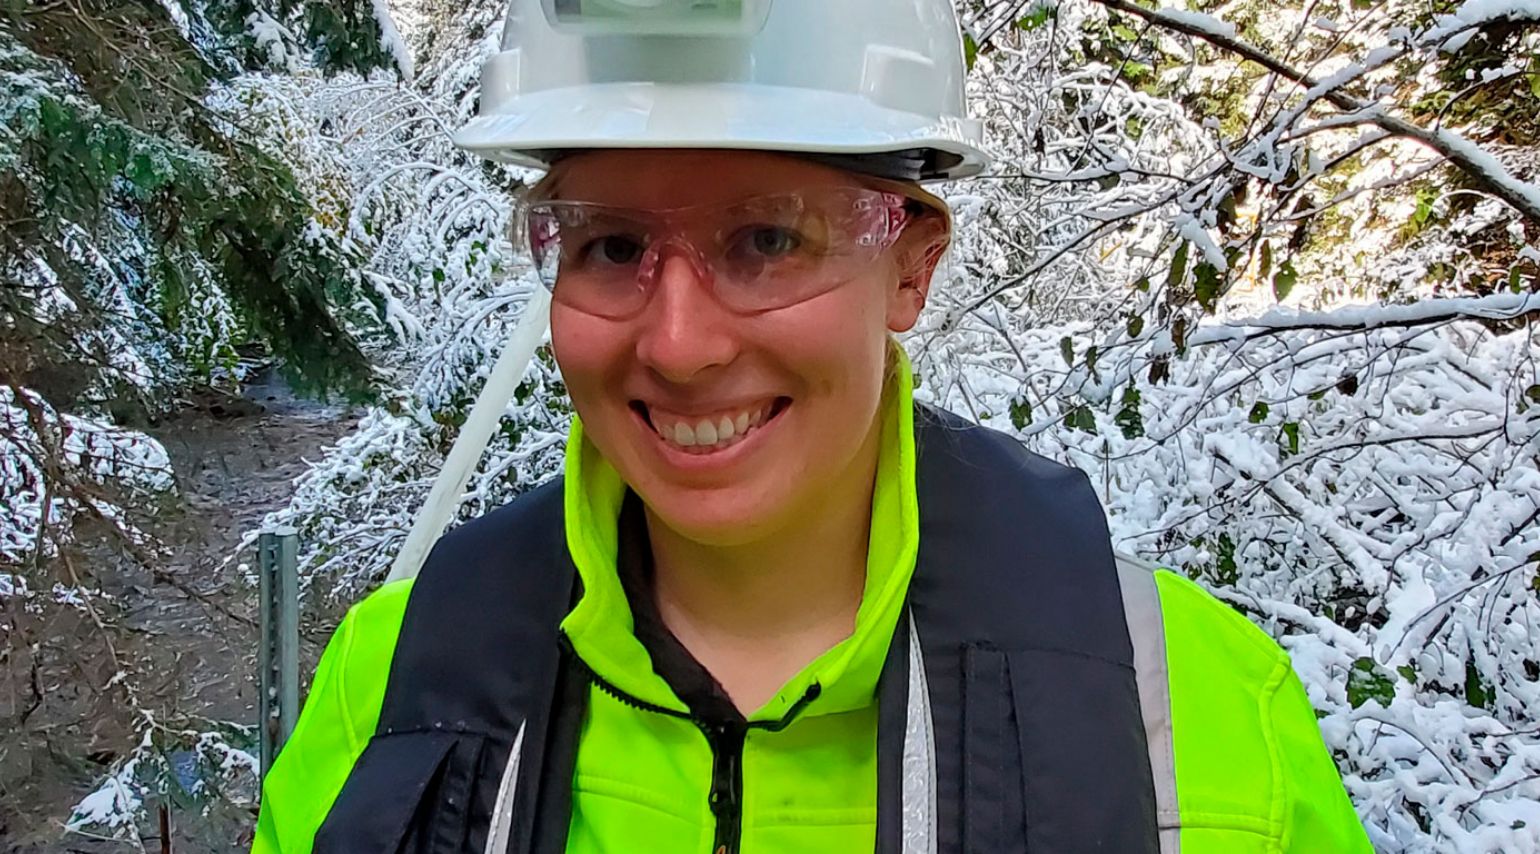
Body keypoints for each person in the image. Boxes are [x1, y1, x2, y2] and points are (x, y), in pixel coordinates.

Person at [252, 0, 1374, 851]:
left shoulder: (1189, 715)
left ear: (912, 267)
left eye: (768, 240)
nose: (678, 342)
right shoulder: (392, 688)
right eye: (609, 245)